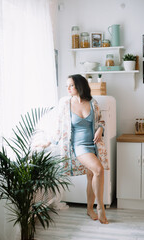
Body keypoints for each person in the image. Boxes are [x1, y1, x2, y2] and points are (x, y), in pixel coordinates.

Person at [41, 74, 109, 224]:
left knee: (91, 175)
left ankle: (89, 209)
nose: (68, 88)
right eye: (67, 86)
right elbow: (59, 127)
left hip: (94, 145)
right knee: (99, 170)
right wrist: (47, 142)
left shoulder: (93, 103)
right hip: (79, 146)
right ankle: (100, 208)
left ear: (79, 85)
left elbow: (101, 120)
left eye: (71, 85)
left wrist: (100, 129)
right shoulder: (65, 105)